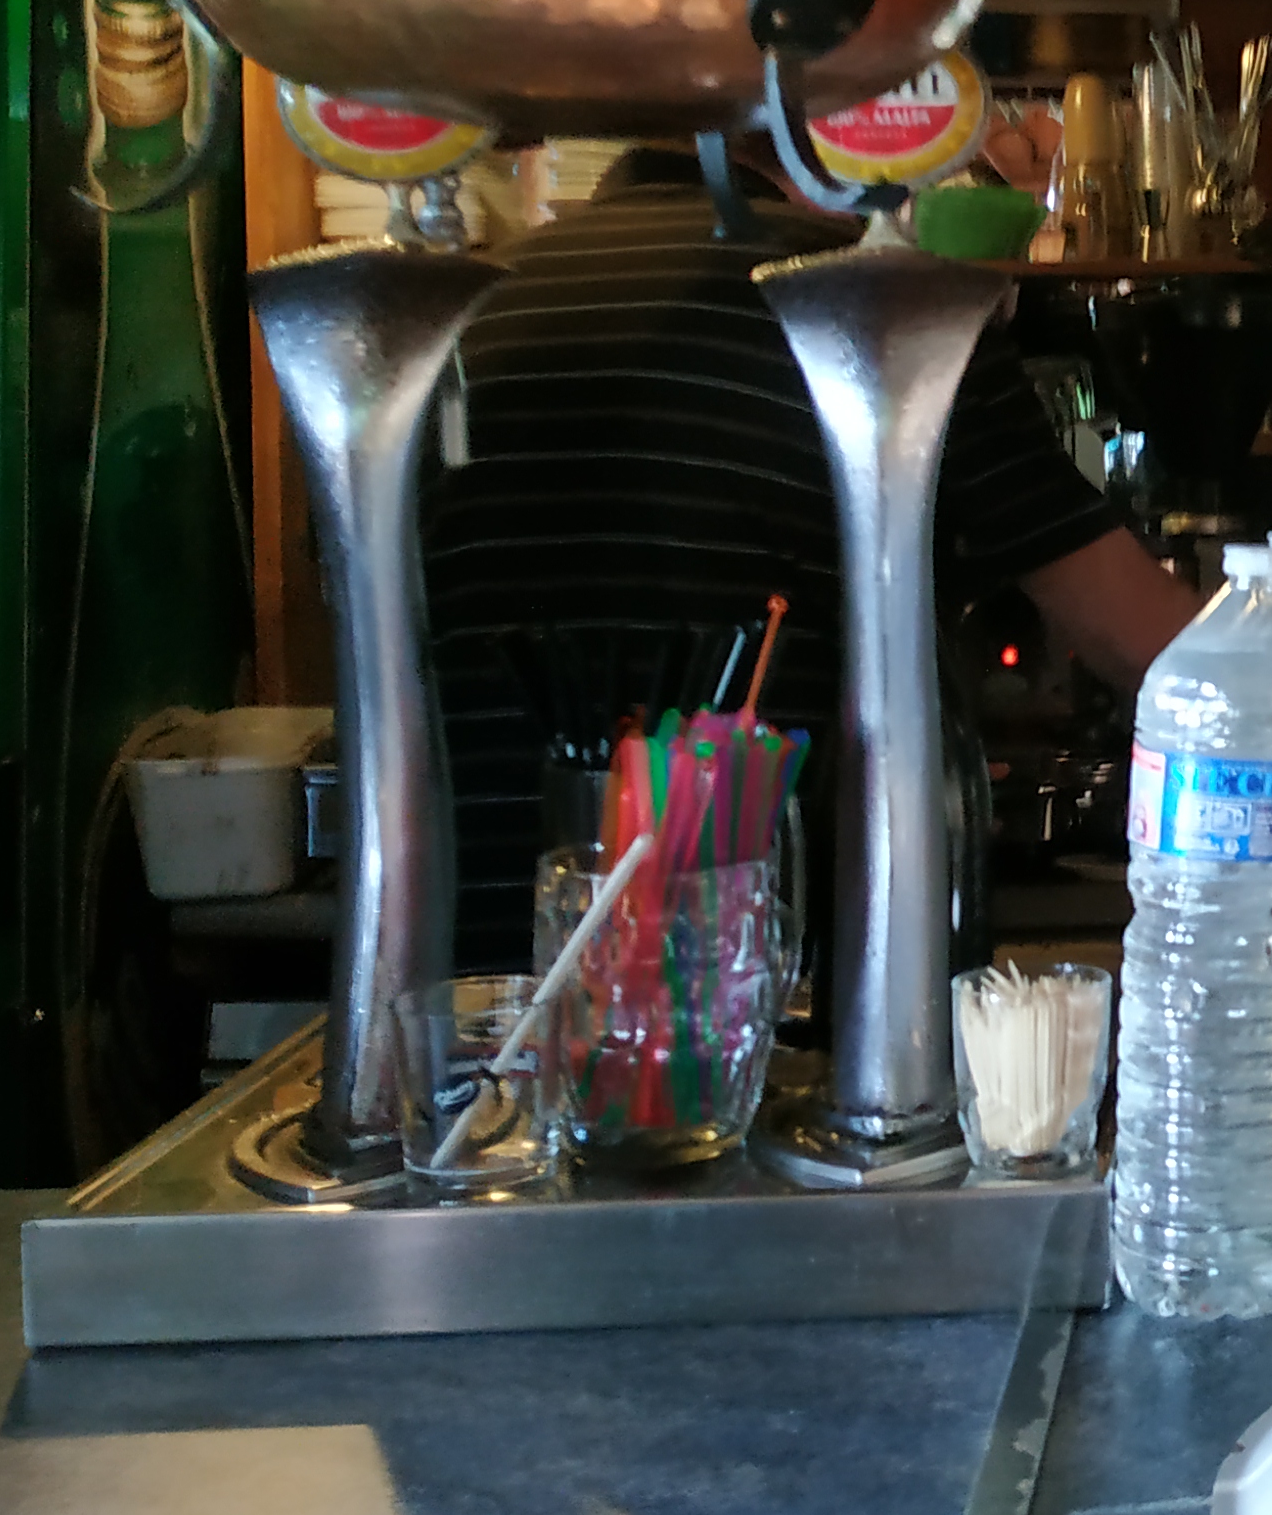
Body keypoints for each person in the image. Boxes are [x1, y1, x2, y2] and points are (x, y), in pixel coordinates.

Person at [421, 147, 1198, 970]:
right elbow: (1146, 645)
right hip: (783, 970)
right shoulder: (895, 304)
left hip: (463, 962)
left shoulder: (459, 307)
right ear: (816, 132)